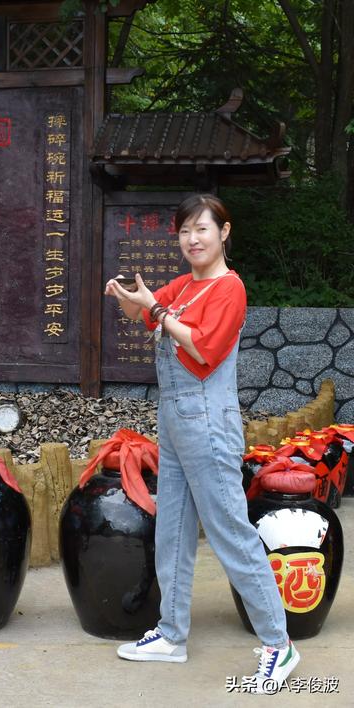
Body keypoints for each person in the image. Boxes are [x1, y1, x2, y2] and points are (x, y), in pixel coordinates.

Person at [104, 194, 299, 694]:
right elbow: (144, 314)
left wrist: (155, 307)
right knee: (172, 528)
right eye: (185, 231)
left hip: (208, 421)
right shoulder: (184, 287)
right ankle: (172, 634)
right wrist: (127, 298)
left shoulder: (229, 288)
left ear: (224, 233)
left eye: (202, 229)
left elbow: (202, 346)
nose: (192, 239)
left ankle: (278, 644)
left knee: (230, 531)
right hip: (175, 418)